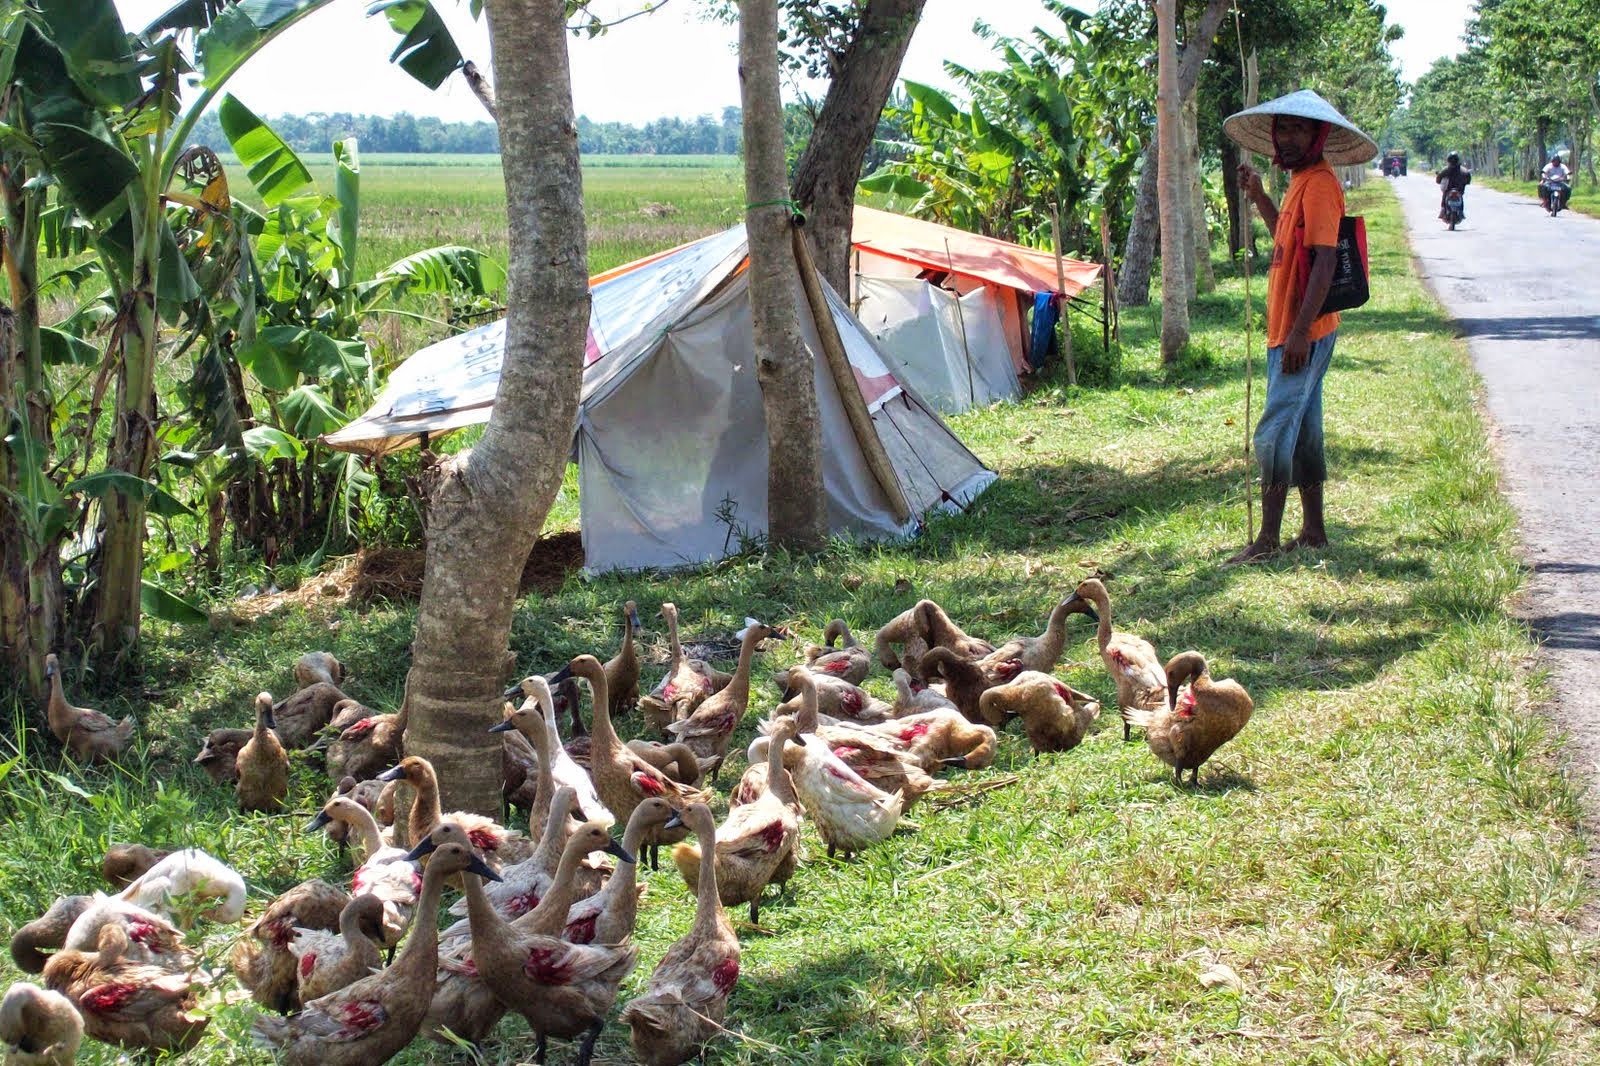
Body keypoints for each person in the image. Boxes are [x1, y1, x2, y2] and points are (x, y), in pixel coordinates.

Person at [1221, 90, 1378, 564]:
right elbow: (1289, 242)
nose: (1286, 139)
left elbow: (1327, 260)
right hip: (1294, 328)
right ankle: (1313, 531)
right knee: (1305, 430)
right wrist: (1259, 197)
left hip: (1302, 331)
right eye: (1281, 129)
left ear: (1318, 135)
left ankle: (1267, 540)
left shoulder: (1323, 184)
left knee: (1272, 433)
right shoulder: (1299, 182)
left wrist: (1298, 333)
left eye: (1297, 130)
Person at [1436, 152, 1471, 220]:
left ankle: (1443, 209)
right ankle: (1460, 212)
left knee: (1445, 195)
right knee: (1460, 197)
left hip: (1449, 190)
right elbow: (1468, 180)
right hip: (1459, 189)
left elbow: (1438, 180)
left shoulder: (1446, 169)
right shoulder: (1463, 170)